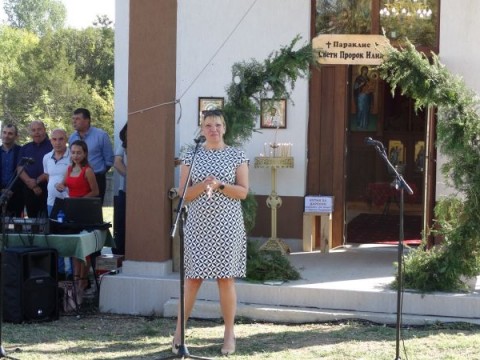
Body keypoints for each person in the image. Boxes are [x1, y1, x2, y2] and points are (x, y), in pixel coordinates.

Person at [172, 109, 249, 356]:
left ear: (224, 127)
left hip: (228, 225)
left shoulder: (237, 154)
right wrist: (203, 185)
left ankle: (229, 333)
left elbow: (243, 192)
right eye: (208, 125)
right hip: (197, 225)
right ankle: (179, 333)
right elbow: (183, 196)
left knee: (225, 278)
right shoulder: (191, 154)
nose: (213, 129)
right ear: (202, 129)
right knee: (192, 279)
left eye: (217, 125)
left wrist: (220, 185)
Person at [55, 140, 99, 291]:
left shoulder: (88, 170)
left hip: (85, 212)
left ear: (85, 153)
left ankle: (83, 282)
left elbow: (95, 191)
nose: (75, 155)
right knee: (74, 249)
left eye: (78, 152)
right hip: (71, 213)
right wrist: (59, 186)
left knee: (84, 250)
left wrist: (80, 201)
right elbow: (64, 185)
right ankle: (75, 282)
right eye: (73, 152)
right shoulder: (68, 169)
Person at [42, 129, 72, 279]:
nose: (57, 142)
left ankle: (72, 272)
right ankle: (60, 271)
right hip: (51, 203)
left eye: (61, 139)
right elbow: (49, 177)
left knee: (69, 236)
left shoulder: (72, 156)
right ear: (50, 141)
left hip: (68, 203)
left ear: (66, 139)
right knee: (55, 237)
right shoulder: (46, 157)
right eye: (54, 139)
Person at [69, 108, 114, 203]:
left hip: (97, 178)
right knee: (77, 209)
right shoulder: (72, 137)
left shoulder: (101, 135)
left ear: (87, 120)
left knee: (94, 212)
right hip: (77, 179)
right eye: (73, 119)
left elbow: (109, 159)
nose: (74, 121)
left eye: (77, 119)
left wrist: (100, 172)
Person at [18, 120, 53, 218]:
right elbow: (19, 168)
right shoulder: (25, 148)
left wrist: (37, 181)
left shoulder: (52, 146)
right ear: (30, 133)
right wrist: (32, 185)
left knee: (47, 220)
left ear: (44, 130)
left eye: (39, 129)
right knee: (32, 220)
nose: (36, 132)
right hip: (29, 189)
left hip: (47, 188)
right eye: (33, 130)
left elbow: (52, 168)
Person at [0, 124, 25, 217]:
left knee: (14, 226)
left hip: (16, 195)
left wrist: (12, 190)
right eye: (4, 132)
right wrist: (2, 190)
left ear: (16, 136)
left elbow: (24, 173)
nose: (6, 136)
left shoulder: (22, 151)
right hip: (0, 193)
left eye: (10, 133)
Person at [113, 123, 127, 255]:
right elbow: (117, 162)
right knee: (121, 225)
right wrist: (130, 176)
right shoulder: (124, 144)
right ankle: (120, 254)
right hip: (126, 190)